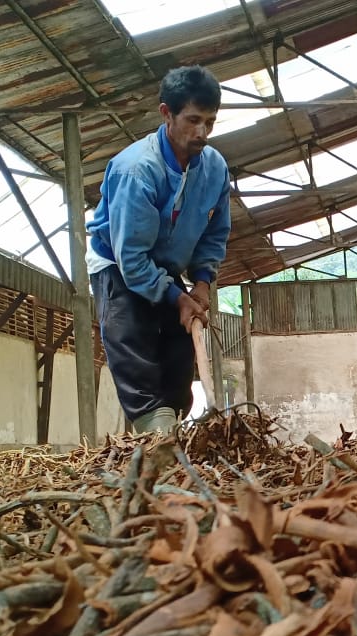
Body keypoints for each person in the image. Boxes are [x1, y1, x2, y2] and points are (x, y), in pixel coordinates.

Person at [86, 65, 232, 434]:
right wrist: (178, 298)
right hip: (118, 266)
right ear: (166, 113)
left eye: (210, 122)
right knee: (131, 339)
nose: (202, 133)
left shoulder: (214, 169)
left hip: (167, 271)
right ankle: (155, 431)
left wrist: (201, 283)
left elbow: (214, 233)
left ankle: (175, 420)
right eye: (193, 120)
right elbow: (132, 259)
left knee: (179, 354)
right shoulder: (136, 171)